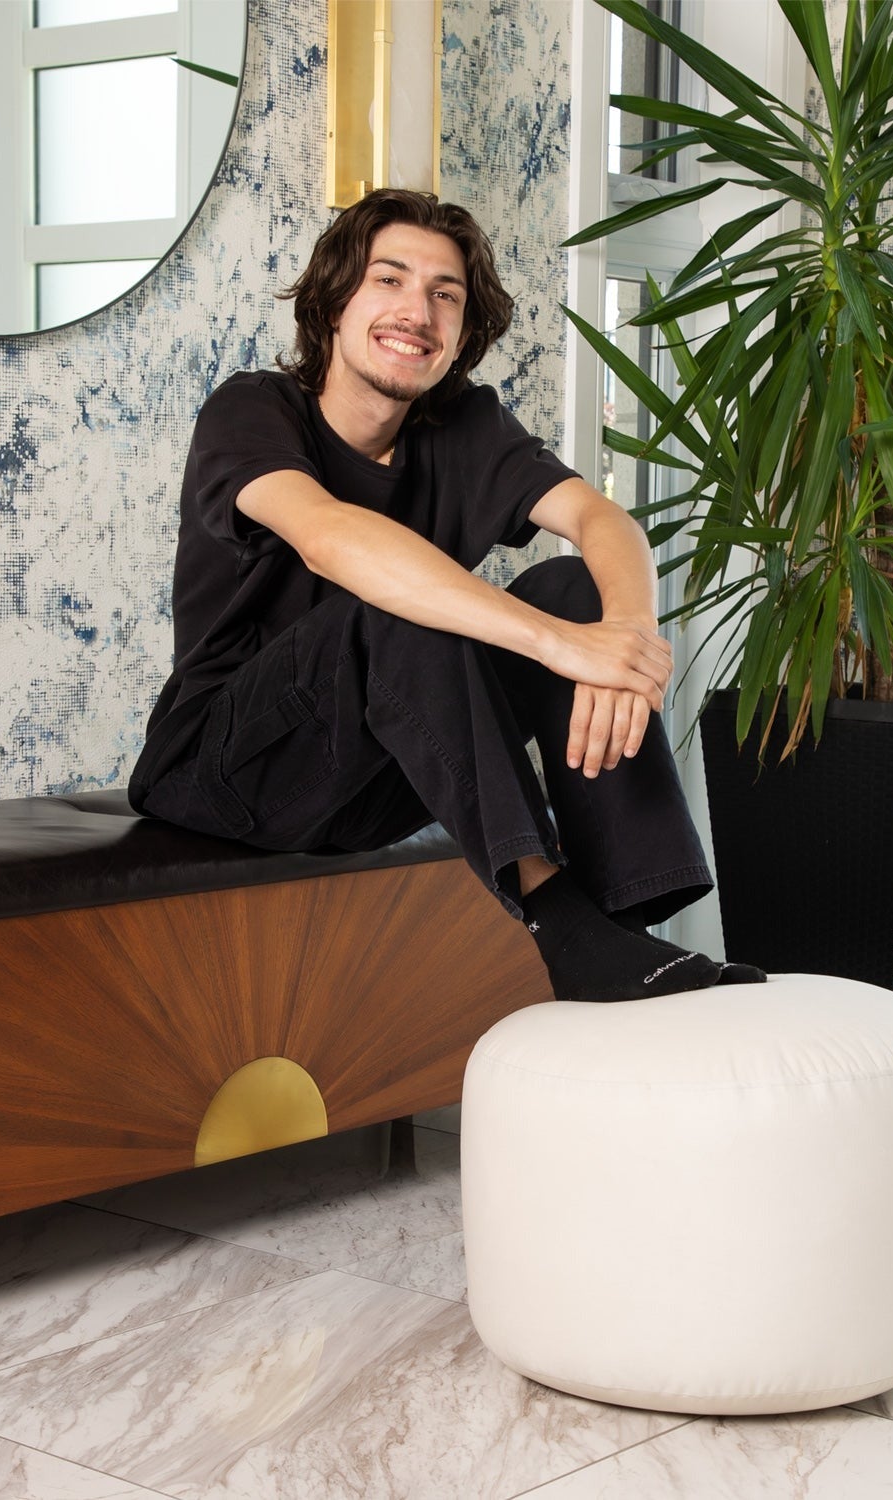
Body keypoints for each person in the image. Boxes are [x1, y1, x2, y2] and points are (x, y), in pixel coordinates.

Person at [130, 188, 763, 1002]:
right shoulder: (252, 412)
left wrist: (627, 634)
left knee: (576, 586)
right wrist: (555, 643)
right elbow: (329, 538)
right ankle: (556, 919)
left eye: (445, 295)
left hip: (373, 773)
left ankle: (627, 917)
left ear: (463, 331)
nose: (416, 311)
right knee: (400, 600)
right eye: (388, 281)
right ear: (334, 301)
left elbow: (600, 518)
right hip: (224, 772)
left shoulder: (461, 427)